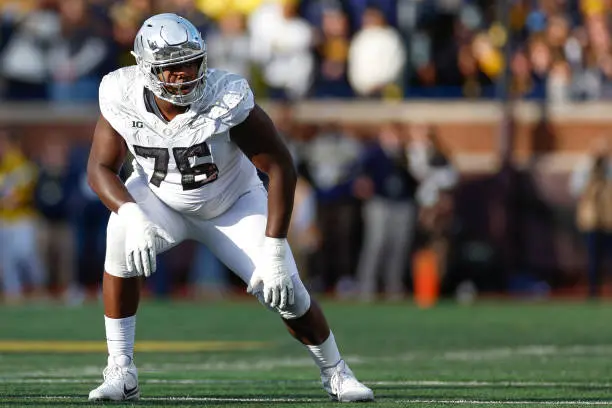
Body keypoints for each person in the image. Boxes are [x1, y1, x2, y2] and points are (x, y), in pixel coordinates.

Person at [86, 13, 374, 403]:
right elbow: (100, 168)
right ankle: (121, 370)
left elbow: (280, 165)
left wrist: (274, 247)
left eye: (190, 62)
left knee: (286, 290)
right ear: (146, 67)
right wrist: (132, 213)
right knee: (119, 234)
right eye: (172, 68)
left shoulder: (225, 96)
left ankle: (336, 372)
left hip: (232, 203)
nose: (184, 75)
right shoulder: (121, 93)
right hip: (159, 198)